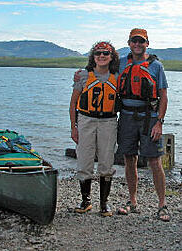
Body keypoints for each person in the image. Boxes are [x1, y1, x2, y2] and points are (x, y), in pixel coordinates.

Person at [74, 28, 170, 222]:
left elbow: (163, 95)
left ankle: (162, 204)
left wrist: (159, 122)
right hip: (125, 116)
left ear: (147, 43)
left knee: (154, 160)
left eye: (141, 41)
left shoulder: (156, 66)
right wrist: (81, 74)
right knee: (129, 158)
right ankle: (132, 201)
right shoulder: (122, 64)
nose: (137, 44)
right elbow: (100, 69)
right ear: (129, 43)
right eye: (134, 41)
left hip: (149, 117)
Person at [69, 41, 119, 216]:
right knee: (84, 160)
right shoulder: (83, 76)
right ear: (93, 57)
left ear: (112, 57)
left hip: (108, 122)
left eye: (106, 53)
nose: (102, 56)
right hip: (86, 120)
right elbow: (74, 102)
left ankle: (104, 203)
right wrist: (73, 127)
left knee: (106, 161)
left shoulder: (117, 77)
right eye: (98, 53)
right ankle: (86, 201)